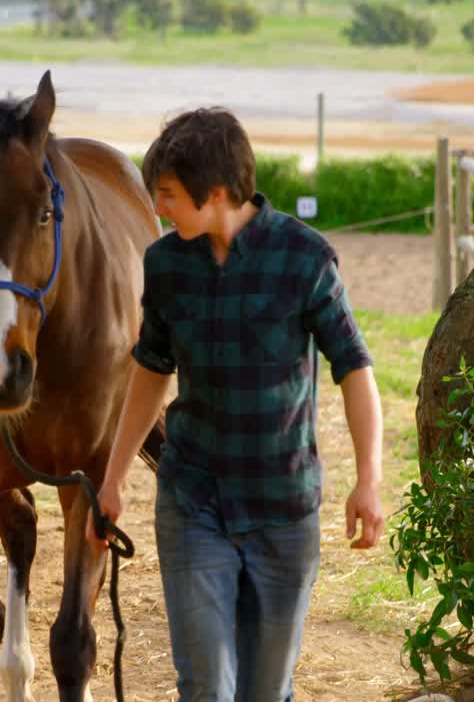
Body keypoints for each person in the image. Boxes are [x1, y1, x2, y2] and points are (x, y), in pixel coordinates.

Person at [87, 107, 385, 701]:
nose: (159, 209)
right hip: (193, 502)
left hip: (283, 508)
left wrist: (369, 479)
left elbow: (355, 369)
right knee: (204, 688)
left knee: (265, 691)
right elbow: (151, 369)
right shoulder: (166, 263)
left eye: (168, 195)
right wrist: (113, 479)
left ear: (215, 192)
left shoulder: (304, 259)